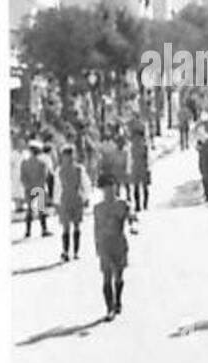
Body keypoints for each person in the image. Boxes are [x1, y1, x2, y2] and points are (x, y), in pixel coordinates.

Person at [93, 172, 134, 320]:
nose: (109, 191)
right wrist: (97, 245)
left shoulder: (122, 204)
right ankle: (109, 308)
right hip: (105, 244)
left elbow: (131, 218)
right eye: (105, 189)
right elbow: (96, 228)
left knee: (119, 275)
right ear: (102, 190)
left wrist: (132, 225)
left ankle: (118, 301)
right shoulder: (98, 208)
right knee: (106, 276)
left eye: (111, 188)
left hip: (119, 243)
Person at [55, 145, 90, 261]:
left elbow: (85, 184)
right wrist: (57, 202)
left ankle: (75, 251)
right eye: (66, 155)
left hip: (75, 197)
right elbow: (57, 187)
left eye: (69, 155)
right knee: (66, 227)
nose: (68, 158)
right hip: (66, 199)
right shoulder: (59, 170)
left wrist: (86, 198)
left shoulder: (79, 169)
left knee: (76, 225)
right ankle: (66, 251)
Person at [19, 142, 50, 238]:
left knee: (29, 210)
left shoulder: (24, 163)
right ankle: (44, 230)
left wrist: (27, 186)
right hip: (39, 188)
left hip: (29, 189)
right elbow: (44, 177)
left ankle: (28, 231)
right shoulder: (42, 163)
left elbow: (23, 177)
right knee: (41, 209)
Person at [129, 127, 151, 212]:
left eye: (138, 137)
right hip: (135, 167)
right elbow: (130, 157)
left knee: (144, 187)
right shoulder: (132, 146)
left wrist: (148, 168)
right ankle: (137, 205)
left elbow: (148, 158)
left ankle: (145, 204)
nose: (136, 139)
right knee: (136, 187)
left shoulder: (144, 146)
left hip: (143, 167)